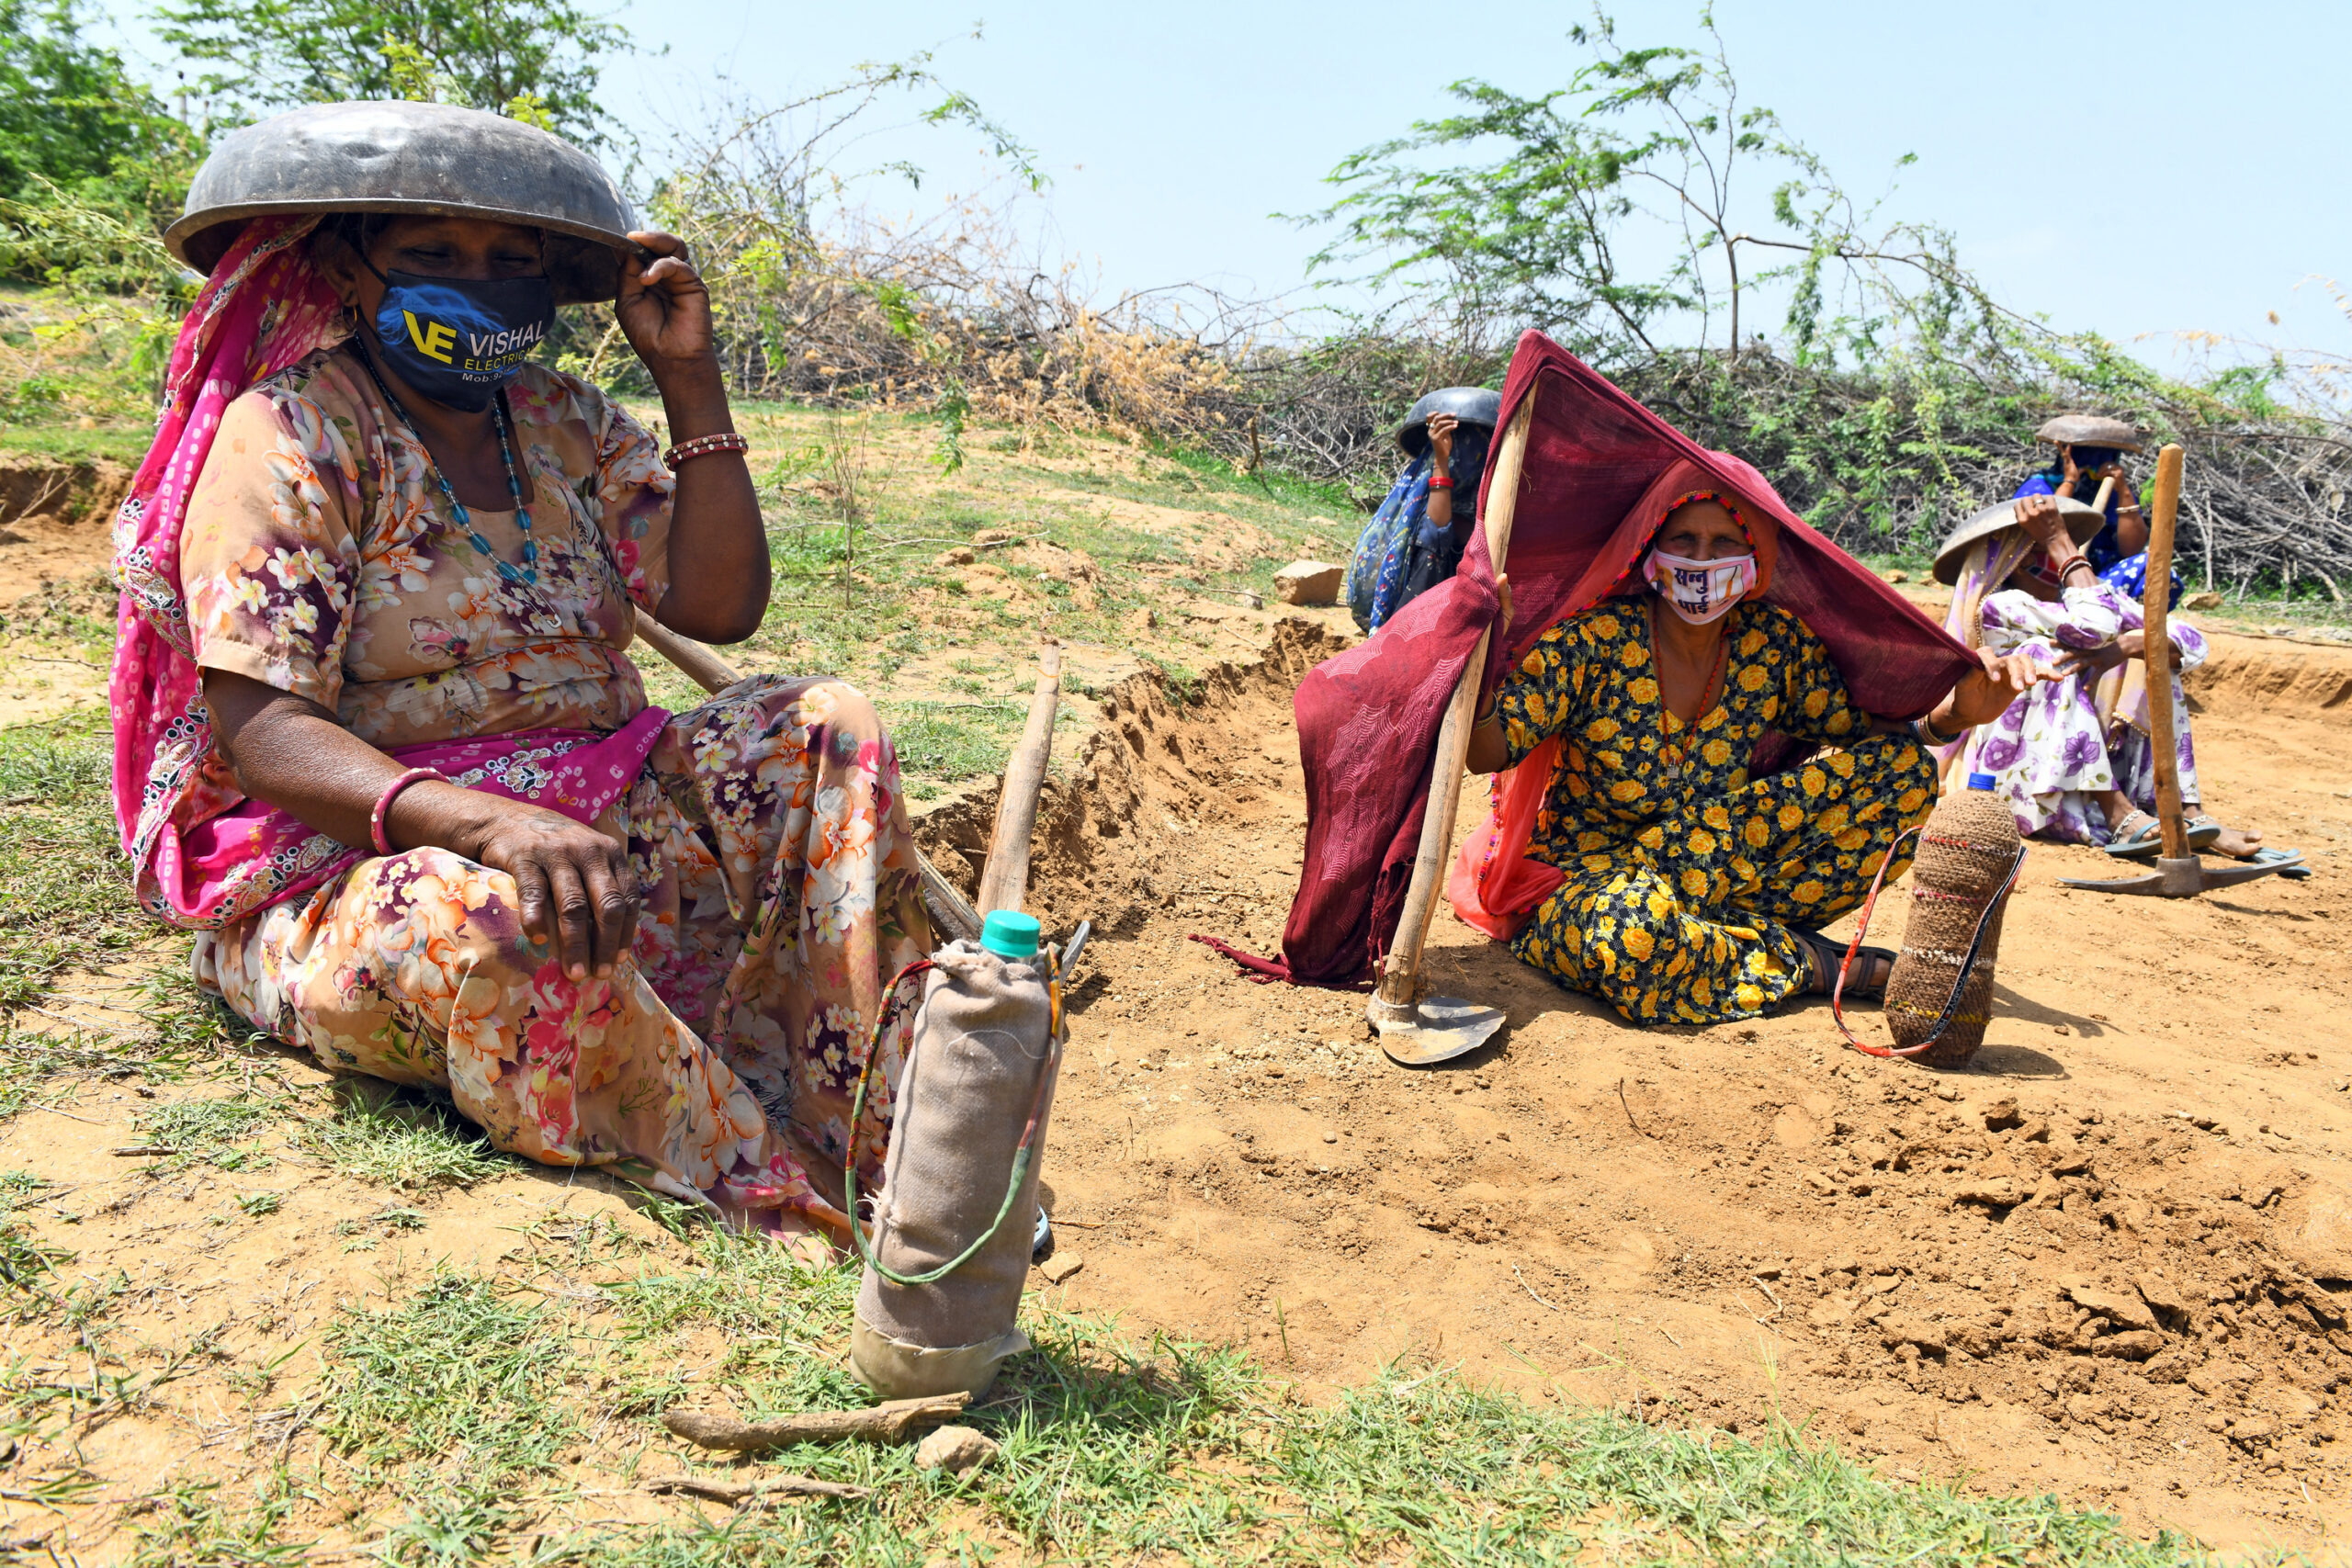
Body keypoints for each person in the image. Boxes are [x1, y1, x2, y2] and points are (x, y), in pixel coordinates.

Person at [111, 102, 931, 1242]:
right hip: (374, 856)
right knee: (496, 924)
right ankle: (763, 1187)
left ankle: (877, 1134)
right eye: (433, 256)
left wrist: (691, 384)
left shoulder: (562, 421)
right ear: (350, 269)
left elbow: (717, 608)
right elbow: (265, 735)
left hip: (597, 821)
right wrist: (489, 826)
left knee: (823, 721)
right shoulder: (293, 432)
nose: (477, 283)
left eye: (511, 262)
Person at [1456, 463, 2054, 1025]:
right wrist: (1482, 670)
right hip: (1598, 875)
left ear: (1754, 555)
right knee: (1627, 941)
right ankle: (1812, 963)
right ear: (1651, 550)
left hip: (1718, 857)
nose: (1701, 560)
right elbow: (1488, 751)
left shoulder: (1770, 645)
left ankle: (1718, 938)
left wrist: (1953, 716)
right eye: (1684, 539)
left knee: (1906, 775)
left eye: (1723, 543)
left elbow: (1870, 739)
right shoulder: (1593, 641)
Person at [1934, 492, 2301, 871]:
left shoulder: (2077, 603)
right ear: (2023, 558)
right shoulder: (2002, 606)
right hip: (2010, 775)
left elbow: (2188, 641)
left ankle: (2185, 810)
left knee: (2147, 655)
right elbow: (2093, 629)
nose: (2068, 557)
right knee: (2047, 654)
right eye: (2048, 549)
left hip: (2072, 767)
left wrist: (2126, 645)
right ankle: (2117, 813)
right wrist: (2060, 541)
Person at [1343, 387, 1498, 630]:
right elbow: (1435, 534)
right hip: (1417, 630)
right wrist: (1442, 461)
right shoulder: (1421, 512)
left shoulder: (1497, 507)